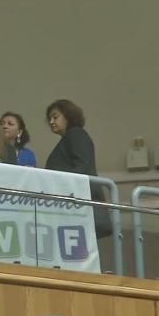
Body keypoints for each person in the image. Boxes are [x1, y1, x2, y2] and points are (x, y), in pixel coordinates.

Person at [44, 99, 111, 238]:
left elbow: (83, 167)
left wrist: (60, 185)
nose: (51, 121)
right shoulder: (70, 137)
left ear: (68, 116)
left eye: (55, 117)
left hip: (79, 204)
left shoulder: (76, 134)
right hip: (73, 204)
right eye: (49, 118)